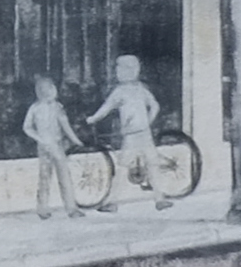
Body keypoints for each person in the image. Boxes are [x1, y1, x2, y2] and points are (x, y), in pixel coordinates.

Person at [92, 55, 165, 202]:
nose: (117, 72)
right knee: (151, 163)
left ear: (129, 70)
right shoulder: (139, 89)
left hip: (132, 134)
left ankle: (112, 202)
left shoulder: (121, 91)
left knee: (123, 166)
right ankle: (160, 199)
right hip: (144, 132)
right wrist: (148, 122)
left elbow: (106, 108)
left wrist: (93, 118)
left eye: (120, 68)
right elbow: (155, 106)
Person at [23, 75, 76, 215]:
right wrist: (39, 138)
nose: (49, 91)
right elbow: (27, 127)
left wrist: (72, 140)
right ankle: (44, 208)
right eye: (44, 89)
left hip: (56, 144)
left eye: (51, 88)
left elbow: (65, 125)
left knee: (62, 176)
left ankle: (70, 208)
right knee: (47, 176)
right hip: (45, 146)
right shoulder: (35, 108)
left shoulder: (57, 107)